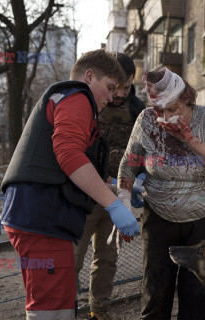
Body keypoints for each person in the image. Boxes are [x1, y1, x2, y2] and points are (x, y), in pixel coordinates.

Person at [0, 49, 140, 320]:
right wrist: (113, 205)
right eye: (109, 87)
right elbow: (69, 155)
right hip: (42, 218)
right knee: (49, 309)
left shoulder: (68, 100)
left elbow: (79, 164)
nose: (111, 97)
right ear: (89, 77)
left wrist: (115, 187)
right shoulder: (78, 96)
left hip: (42, 217)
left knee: (61, 304)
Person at [117, 67, 205, 320]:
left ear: (186, 98)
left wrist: (189, 138)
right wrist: (123, 200)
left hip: (203, 215)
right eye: (160, 110)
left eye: (173, 109)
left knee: (197, 294)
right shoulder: (146, 120)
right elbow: (131, 160)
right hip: (159, 215)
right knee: (155, 292)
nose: (165, 116)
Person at [73, 53, 145, 320]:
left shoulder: (137, 109)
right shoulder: (88, 103)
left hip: (119, 196)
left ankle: (98, 309)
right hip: (86, 194)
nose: (119, 94)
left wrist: (139, 178)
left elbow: (143, 149)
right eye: (116, 88)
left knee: (107, 259)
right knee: (73, 257)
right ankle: (67, 309)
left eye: (126, 88)